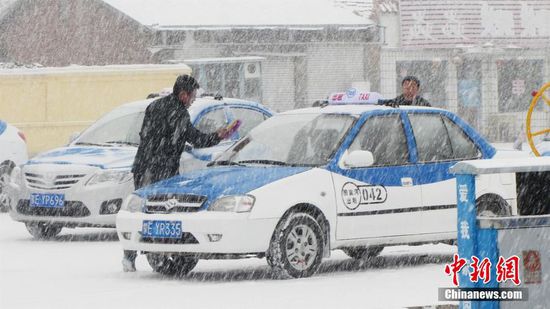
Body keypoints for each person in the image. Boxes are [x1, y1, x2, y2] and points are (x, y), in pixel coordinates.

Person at [122, 74, 232, 272]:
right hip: (162, 170)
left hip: (143, 166)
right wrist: (218, 136)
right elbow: (195, 139)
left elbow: (145, 135)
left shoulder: (154, 106)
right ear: (183, 95)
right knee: (163, 211)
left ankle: (131, 256)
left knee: (141, 212)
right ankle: (161, 252)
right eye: (192, 96)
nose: (193, 100)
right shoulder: (179, 113)